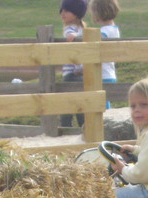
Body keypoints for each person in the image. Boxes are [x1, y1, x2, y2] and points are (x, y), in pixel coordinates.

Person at [58, 0, 87, 128]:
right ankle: (84, 128)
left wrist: (73, 37)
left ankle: (66, 128)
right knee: (80, 104)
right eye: (61, 11)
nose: (62, 13)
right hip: (82, 73)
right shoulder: (83, 29)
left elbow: (70, 36)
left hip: (71, 73)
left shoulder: (71, 29)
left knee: (67, 105)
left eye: (66, 11)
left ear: (75, 13)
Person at [89, 0, 120, 86]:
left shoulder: (104, 32)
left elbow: (92, 46)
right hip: (110, 73)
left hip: (102, 75)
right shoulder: (114, 29)